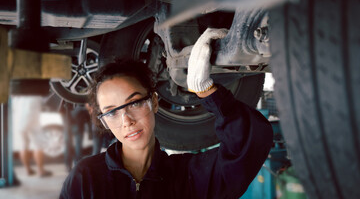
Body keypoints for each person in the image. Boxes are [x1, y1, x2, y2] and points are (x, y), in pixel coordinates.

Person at [60, 28, 273, 198]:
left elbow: (249, 146)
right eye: (112, 113)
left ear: (153, 101)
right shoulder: (86, 178)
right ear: (104, 122)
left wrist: (206, 91)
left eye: (134, 103)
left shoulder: (187, 177)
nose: (126, 121)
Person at [12, 96, 52, 177]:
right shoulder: (35, 93)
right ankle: (41, 170)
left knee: (23, 145)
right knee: (38, 144)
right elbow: (44, 102)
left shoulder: (17, 95)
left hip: (19, 120)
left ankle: (28, 170)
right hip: (32, 118)